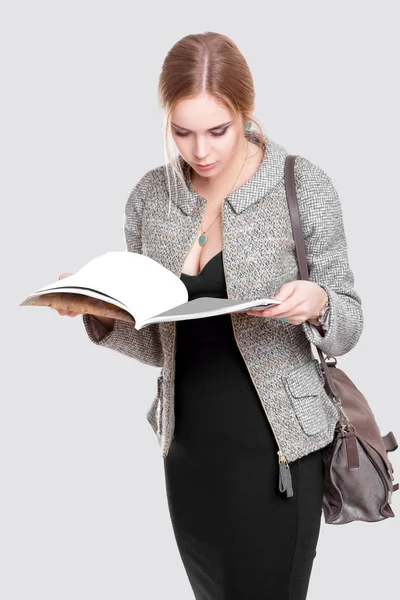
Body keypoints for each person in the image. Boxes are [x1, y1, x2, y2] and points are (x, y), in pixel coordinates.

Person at [55, 32, 363, 600]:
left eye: (217, 130)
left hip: (278, 451)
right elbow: (161, 342)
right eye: (182, 132)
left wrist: (318, 304)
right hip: (188, 448)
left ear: (246, 112)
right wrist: (99, 315)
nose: (201, 150)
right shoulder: (151, 198)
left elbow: (350, 322)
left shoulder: (302, 184)